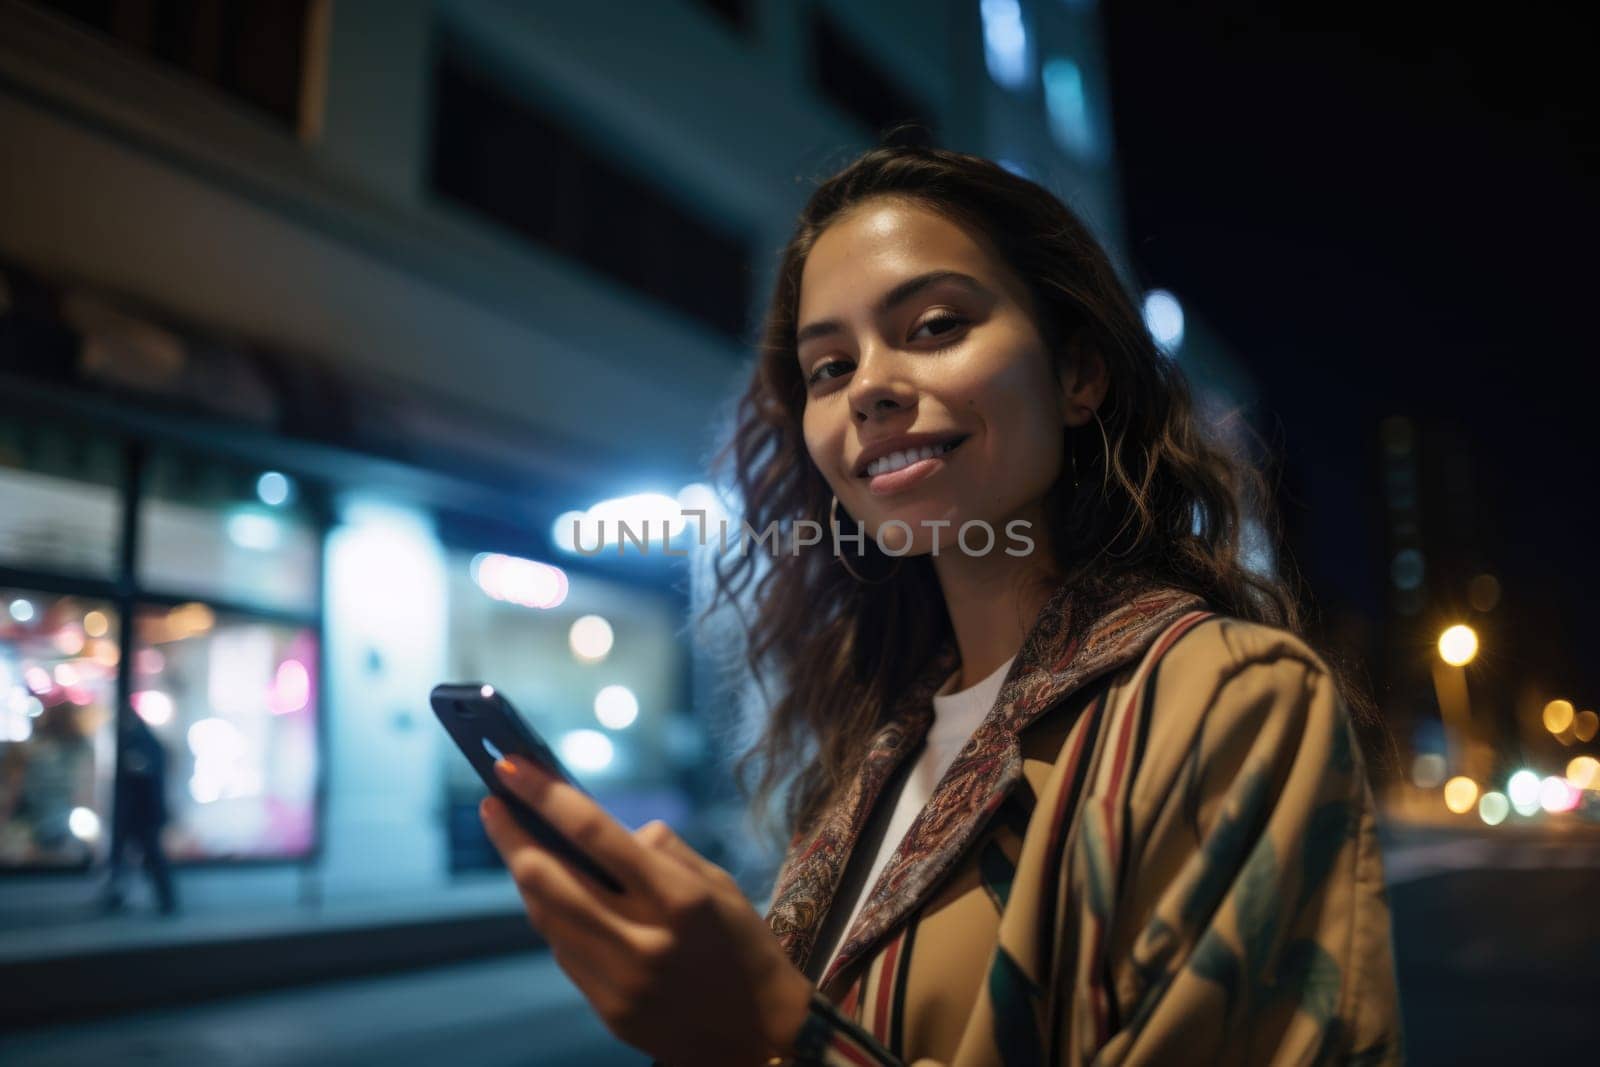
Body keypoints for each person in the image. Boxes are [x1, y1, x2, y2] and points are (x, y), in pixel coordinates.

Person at [478, 145, 1404, 1065]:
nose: (870, 387)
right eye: (829, 367)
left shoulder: (1228, 699)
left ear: (1077, 372)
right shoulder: (877, 746)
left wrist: (766, 1025)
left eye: (933, 326)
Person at [103, 711, 178, 916]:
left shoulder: (145, 747)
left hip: (144, 815)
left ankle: (167, 900)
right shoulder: (142, 744)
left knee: (151, 858)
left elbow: (148, 778)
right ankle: (117, 897)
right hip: (135, 814)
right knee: (125, 859)